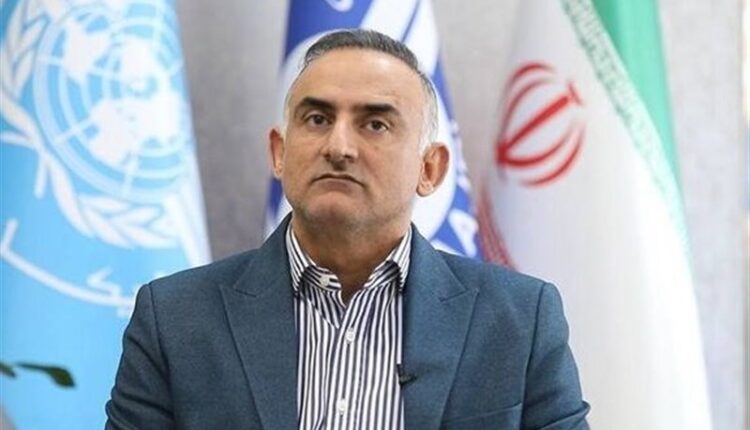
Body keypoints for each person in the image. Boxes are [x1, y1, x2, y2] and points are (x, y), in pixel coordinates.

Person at [105, 29, 589, 430]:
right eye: (317, 119)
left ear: (430, 169)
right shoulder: (175, 319)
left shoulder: (519, 320)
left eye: (375, 124)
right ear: (279, 152)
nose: (338, 146)